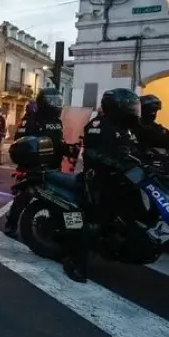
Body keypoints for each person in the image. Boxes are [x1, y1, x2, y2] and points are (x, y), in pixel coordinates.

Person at [64, 88, 143, 283]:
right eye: (129, 107)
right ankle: (76, 263)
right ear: (116, 107)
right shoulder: (98, 125)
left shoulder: (127, 127)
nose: (133, 110)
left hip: (121, 180)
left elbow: (135, 149)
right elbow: (93, 153)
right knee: (92, 224)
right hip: (98, 181)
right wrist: (114, 162)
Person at [3, 88, 66, 237]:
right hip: (33, 167)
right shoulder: (31, 119)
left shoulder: (57, 121)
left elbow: (58, 141)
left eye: (58, 101)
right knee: (25, 195)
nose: (56, 104)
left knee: (60, 199)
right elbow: (20, 139)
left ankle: (65, 228)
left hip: (53, 165)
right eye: (53, 101)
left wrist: (68, 148)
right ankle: (11, 224)